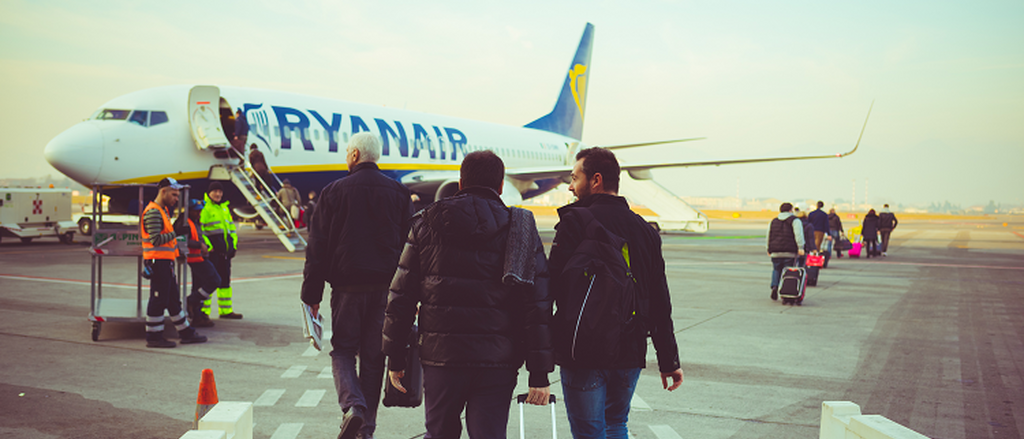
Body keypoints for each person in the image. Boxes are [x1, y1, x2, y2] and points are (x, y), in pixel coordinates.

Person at [383, 150, 553, 439]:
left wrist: (396, 357)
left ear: (460, 183)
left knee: (439, 433)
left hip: (441, 358)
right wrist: (539, 372)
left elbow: (400, 297)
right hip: (498, 359)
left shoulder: (426, 223)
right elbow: (536, 305)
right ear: (500, 186)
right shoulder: (520, 228)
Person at [548, 147, 682, 438]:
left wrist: (539, 351)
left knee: (589, 431)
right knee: (616, 424)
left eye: (574, 178)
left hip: (582, 350)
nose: (570, 186)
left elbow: (550, 287)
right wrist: (669, 359)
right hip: (630, 349)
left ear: (595, 180)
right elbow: (660, 298)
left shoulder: (574, 223)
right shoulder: (645, 231)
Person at [301, 132, 412, 439]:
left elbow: (317, 248)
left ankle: (353, 408)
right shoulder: (399, 194)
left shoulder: (333, 192)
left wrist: (311, 295)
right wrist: (410, 295)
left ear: (353, 156)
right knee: (374, 358)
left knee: (343, 352)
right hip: (386, 292)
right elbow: (410, 248)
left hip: (348, 289)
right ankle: (367, 430)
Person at [141, 178, 207, 348]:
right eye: (174, 195)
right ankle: (153, 337)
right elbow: (155, 239)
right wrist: (176, 233)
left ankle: (186, 332)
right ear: (163, 191)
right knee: (158, 300)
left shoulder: (162, 211)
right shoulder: (154, 212)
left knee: (172, 300)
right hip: (158, 262)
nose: (176, 199)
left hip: (165, 262)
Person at [200, 182, 243, 319]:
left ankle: (226, 311)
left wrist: (233, 246)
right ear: (209, 193)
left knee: (225, 282)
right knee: (209, 282)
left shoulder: (225, 209)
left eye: (220, 192)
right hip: (213, 254)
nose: (218, 194)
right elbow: (201, 231)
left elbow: (232, 231)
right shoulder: (205, 209)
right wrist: (209, 247)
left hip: (225, 255)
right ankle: (203, 313)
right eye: (215, 192)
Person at [181, 198, 219, 328]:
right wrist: (200, 245)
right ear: (189, 210)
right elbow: (181, 240)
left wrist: (206, 246)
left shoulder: (195, 222)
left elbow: (199, 237)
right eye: (196, 211)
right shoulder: (184, 222)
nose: (199, 213)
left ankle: (196, 315)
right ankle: (190, 301)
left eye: (200, 211)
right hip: (194, 258)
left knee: (198, 286)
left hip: (200, 257)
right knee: (215, 281)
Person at [767, 202, 806, 300]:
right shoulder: (795, 220)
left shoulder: (773, 221)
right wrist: (800, 247)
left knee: (776, 269)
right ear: (790, 210)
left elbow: (769, 235)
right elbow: (798, 235)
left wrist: (768, 248)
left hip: (775, 251)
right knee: (788, 271)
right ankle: (786, 290)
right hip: (789, 251)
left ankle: (774, 287)